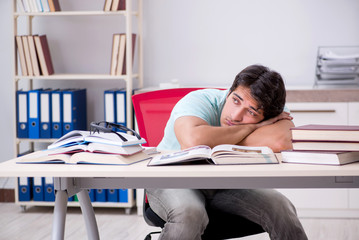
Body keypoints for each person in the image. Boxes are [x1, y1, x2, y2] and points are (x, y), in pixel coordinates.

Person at [146, 64, 308, 240]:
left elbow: (282, 141)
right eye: (236, 100)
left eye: (252, 112)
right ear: (229, 91)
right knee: (189, 213)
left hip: (224, 185)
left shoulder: (275, 110)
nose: (236, 116)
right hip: (172, 178)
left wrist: (214, 139)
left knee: (280, 207)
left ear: (267, 116)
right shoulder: (199, 100)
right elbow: (193, 141)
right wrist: (254, 127)